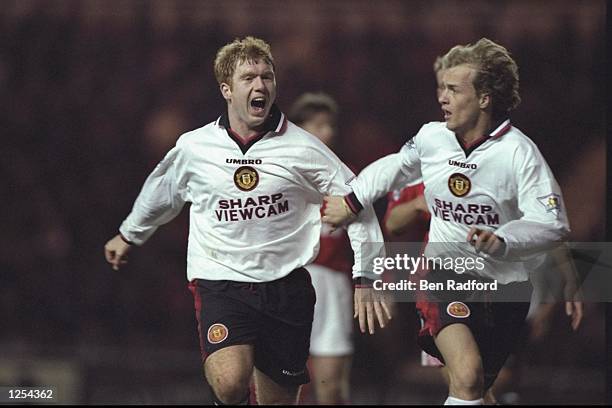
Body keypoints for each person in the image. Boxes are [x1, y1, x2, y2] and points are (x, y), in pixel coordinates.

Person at [103, 36, 390, 405]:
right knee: (230, 382)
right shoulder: (195, 147)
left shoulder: (304, 148)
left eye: (267, 77)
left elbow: (358, 204)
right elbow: (163, 192)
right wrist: (129, 234)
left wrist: (366, 276)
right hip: (221, 282)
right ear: (226, 89)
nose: (260, 85)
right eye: (249, 77)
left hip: (286, 287)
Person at [322, 38, 578, 405]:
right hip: (442, 273)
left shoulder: (519, 153)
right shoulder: (432, 137)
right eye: (442, 88)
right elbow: (394, 167)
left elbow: (553, 223)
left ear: (485, 98)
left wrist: (504, 239)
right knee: (469, 374)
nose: (442, 97)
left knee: (478, 390)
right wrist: (352, 198)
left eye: (454, 89)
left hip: (505, 289)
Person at [288, 92, 353, 405]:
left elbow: (366, 234)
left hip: (331, 283)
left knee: (331, 388)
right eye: (318, 125)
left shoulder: (345, 177)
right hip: (287, 280)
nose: (327, 132)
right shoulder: (278, 173)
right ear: (299, 129)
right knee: (279, 384)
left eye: (330, 125)